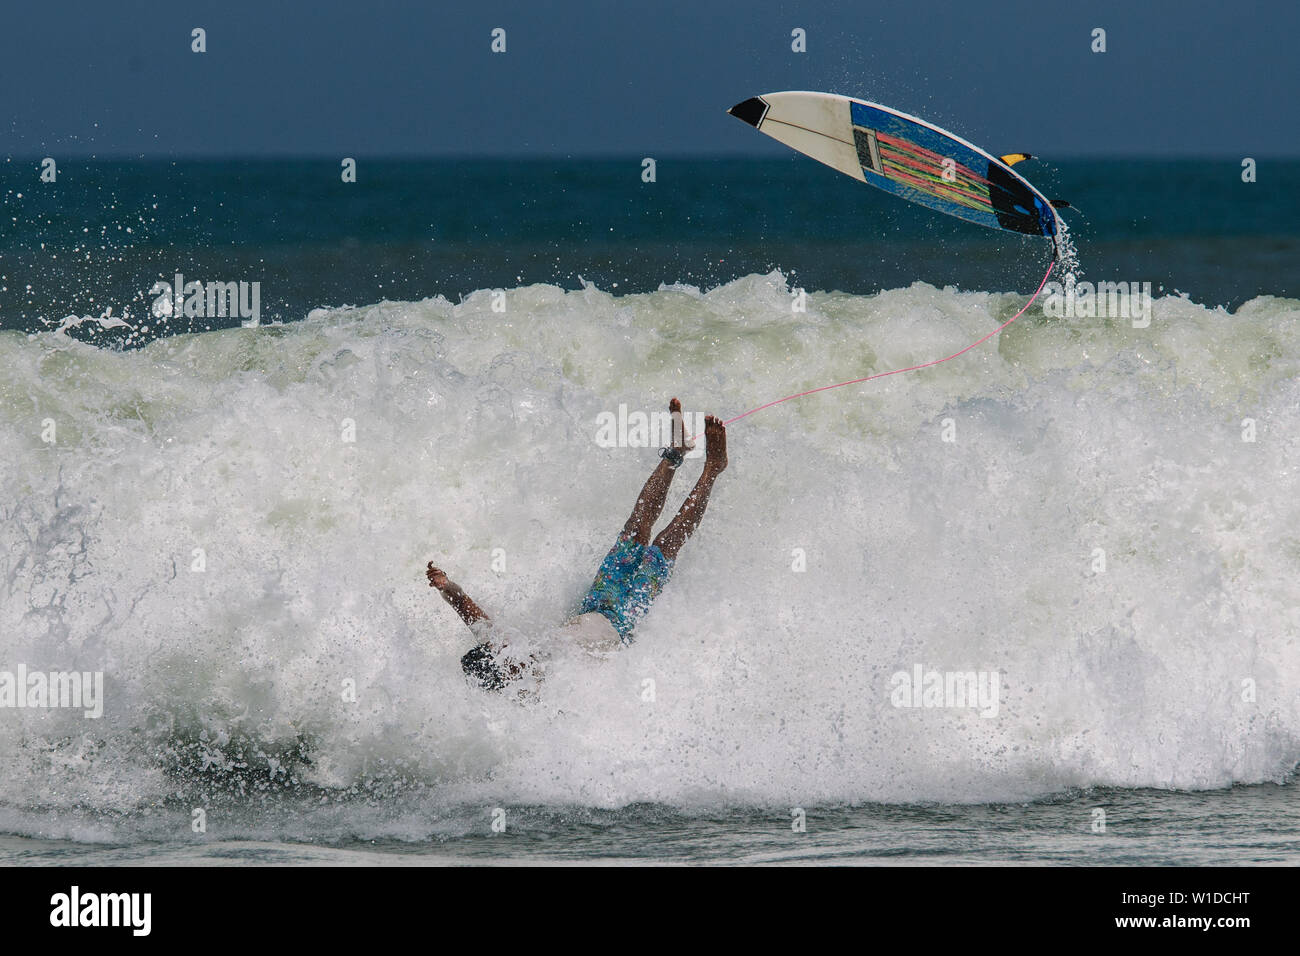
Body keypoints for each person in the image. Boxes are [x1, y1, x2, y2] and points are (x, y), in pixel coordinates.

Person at [428, 398, 728, 691]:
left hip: (597, 602)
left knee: (635, 530)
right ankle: (713, 467)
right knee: (664, 544)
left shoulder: (511, 651)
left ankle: (675, 454)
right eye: (505, 658)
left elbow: (467, 611)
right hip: (624, 620)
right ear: (506, 677)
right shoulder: (542, 693)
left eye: (500, 649)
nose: (508, 651)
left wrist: (446, 585)